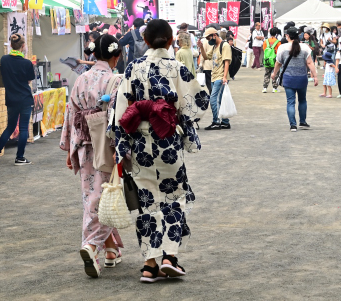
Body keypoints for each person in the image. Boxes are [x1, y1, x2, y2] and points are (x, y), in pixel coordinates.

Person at [113, 19, 209, 283]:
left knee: (145, 200)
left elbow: (119, 111)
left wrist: (121, 146)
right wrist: (178, 115)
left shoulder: (133, 67)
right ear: (171, 41)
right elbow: (199, 102)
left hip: (140, 142)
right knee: (174, 196)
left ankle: (149, 264)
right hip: (167, 139)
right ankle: (170, 256)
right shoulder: (176, 67)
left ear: (145, 41)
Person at [60, 34, 124, 278]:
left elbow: (71, 112)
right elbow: (122, 115)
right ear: (115, 57)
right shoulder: (116, 80)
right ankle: (91, 245)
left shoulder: (81, 79)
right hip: (108, 145)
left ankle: (110, 251)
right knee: (108, 195)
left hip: (84, 145)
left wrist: (69, 148)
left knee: (92, 195)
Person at [0, 34, 36, 165]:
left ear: (10, 45)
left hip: (11, 98)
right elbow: (28, 80)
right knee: (23, 129)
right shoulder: (27, 63)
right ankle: (19, 157)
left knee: (10, 127)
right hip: (25, 99)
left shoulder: (4, 59)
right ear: (23, 46)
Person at [271, 28, 318, 131]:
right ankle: (302, 122)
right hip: (302, 78)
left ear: (287, 36)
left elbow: (278, 62)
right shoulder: (305, 47)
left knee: (290, 102)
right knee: (302, 100)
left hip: (288, 78)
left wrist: (274, 73)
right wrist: (315, 76)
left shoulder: (282, 47)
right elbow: (310, 63)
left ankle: (293, 125)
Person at [199, 28, 232, 130]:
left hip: (221, 77)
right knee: (221, 99)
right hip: (214, 76)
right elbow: (205, 57)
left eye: (209, 38)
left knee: (213, 99)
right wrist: (201, 47)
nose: (209, 40)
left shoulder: (224, 45)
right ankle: (225, 122)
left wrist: (225, 77)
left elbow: (227, 61)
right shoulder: (214, 47)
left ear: (215, 35)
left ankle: (216, 121)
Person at [262, 27, 281, 93]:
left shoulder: (266, 41)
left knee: (267, 74)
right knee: (275, 73)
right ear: (276, 33)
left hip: (267, 60)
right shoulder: (278, 42)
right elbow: (279, 52)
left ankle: (265, 88)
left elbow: (264, 50)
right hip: (275, 60)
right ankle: (274, 88)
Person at [199, 25, 216, 93]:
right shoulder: (218, 41)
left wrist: (200, 64)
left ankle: (212, 94)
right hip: (215, 65)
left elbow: (203, 55)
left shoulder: (205, 41)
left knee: (209, 83)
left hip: (207, 66)